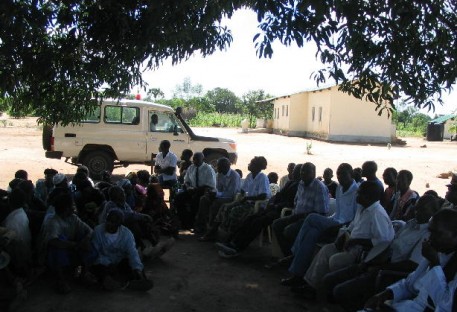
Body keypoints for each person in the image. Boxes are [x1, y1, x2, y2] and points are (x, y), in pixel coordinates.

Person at [324, 194, 440, 311]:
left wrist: (380, 267)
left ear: (434, 212)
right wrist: (372, 261)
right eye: (416, 208)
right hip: (379, 261)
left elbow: (411, 264)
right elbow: (390, 245)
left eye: (423, 209)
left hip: (389, 273)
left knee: (340, 291)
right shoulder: (411, 224)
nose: (417, 212)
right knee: (329, 280)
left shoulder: (427, 235)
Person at [297, 181, 395, 300]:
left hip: (361, 253)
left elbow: (383, 241)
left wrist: (356, 241)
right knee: (326, 249)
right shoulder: (362, 208)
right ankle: (311, 285)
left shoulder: (377, 214)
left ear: (368, 196)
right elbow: (353, 225)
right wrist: (344, 235)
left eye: (359, 193)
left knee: (334, 260)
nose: (356, 195)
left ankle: (326, 291)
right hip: (350, 244)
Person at [280, 163, 358, 286]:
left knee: (311, 217)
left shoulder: (357, 192)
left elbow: (355, 219)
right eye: (338, 174)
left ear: (351, 174)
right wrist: (328, 221)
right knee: (311, 233)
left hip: (344, 229)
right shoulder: (339, 189)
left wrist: (335, 225)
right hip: (335, 222)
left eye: (343, 174)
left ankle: (294, 252)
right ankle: (298, 275)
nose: (339, 177)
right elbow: (338, 213)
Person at [364, 208, 457, 311]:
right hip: (405, 306)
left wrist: (435, 264)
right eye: (430, 232)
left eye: (437, 234)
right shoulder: (438, 252)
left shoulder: (438, 258)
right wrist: (388, 293)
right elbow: (410, 284)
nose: (431, 238)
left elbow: (446, 305)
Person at [214, 164, 302, 257]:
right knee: (249, 219)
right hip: (273, 208)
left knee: (257, 222)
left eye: (295, 171)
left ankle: (238, 247)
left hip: (282, 211)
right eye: (294, 171)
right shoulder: (290, 183)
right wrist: (272, 202)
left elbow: (292, 203)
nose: (293, 173)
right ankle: (230, 242)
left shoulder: (299, 186)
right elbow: (279, 195)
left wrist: (276, 205)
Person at [272, 162, 330, 257]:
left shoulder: (319, 187)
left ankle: (293, 257)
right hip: (296, 216)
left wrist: (298, 216)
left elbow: (321, 212)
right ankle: (288, 255)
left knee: (289, 231)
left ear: (313, 173)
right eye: (302, 171)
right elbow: (296, 202)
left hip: (309, 220)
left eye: (307, 171)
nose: (303, 173)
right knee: (276, 224)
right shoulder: (301, 184)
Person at [40, 193, 93, 294]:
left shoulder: (73, 218)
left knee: (86, 241)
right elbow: (53, 241)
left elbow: (89, 231)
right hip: (52, 254)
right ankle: (60, 280)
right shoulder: (53, 221)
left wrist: (84, 240)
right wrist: (75, 244)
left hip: (71, 248)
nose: (74, 208)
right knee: (58, 244)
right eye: (71, 206)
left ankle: (84, 274)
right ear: (65, 208)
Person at [90, 209, 153, 291]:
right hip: (104, 263)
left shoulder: (127, 234)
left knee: (132, 265)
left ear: (119, 224)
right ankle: (114, 282)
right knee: (99, 269)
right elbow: (96, 252)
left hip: (119, 262)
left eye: (113, 222)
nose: (109, 224)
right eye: (108, 221)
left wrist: (137, 269)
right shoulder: (98, 231)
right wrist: (107, 263)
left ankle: (135, 280)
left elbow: (132, 253)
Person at [211, 156, 270, 239]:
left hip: (257, 205)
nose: (249, 165)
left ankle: (232, 236)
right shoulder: (250, 176)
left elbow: (263, 195)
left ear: (257, 166)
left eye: (251, 164)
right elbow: (243, 189)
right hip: (247, 202)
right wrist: (242, 194)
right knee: (225, 207)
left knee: (234, 211)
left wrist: (247, 198)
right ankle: (217, 231)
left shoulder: (262, 177)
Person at [195, 157, 241, 236]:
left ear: (225, 167)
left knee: (215, 204)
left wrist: (216, 194)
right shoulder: (219, 174)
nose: (217, 168)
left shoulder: (234, 176)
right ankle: (201, 226)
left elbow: (231, 193)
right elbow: (217, 189)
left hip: (231, 198)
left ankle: (211, 230)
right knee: (203, 199)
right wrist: (212, 192)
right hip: (220, 196)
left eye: (219, 166)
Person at [174, 152, 216, 230]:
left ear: (203, 160)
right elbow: (186, 180)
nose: (195, 161)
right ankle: (184, 222)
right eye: (194, 159)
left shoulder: (208, 169)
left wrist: (195, 190)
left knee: (195, 201)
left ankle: (193, 223)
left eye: (197, 159)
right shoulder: (191, 167)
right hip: (192, 189)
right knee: (178, 198)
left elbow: (210, 185)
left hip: (203, 190)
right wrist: (188, 187)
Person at [1, 189, 32, 277]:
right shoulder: (21, 213)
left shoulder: (11, 221)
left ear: (9, 201)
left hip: (17, 258)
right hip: (25, 253)